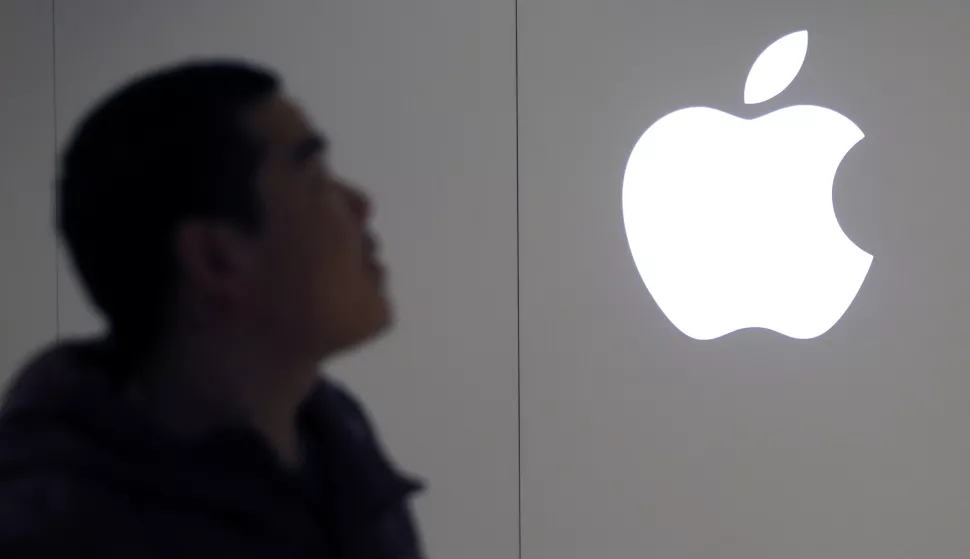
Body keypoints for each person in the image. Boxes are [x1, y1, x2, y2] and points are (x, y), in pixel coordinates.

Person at [0, 60, 426, 558]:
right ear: (216, 260)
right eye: (316, 179)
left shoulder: (333, 436)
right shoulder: (61, 532)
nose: (360, 204)